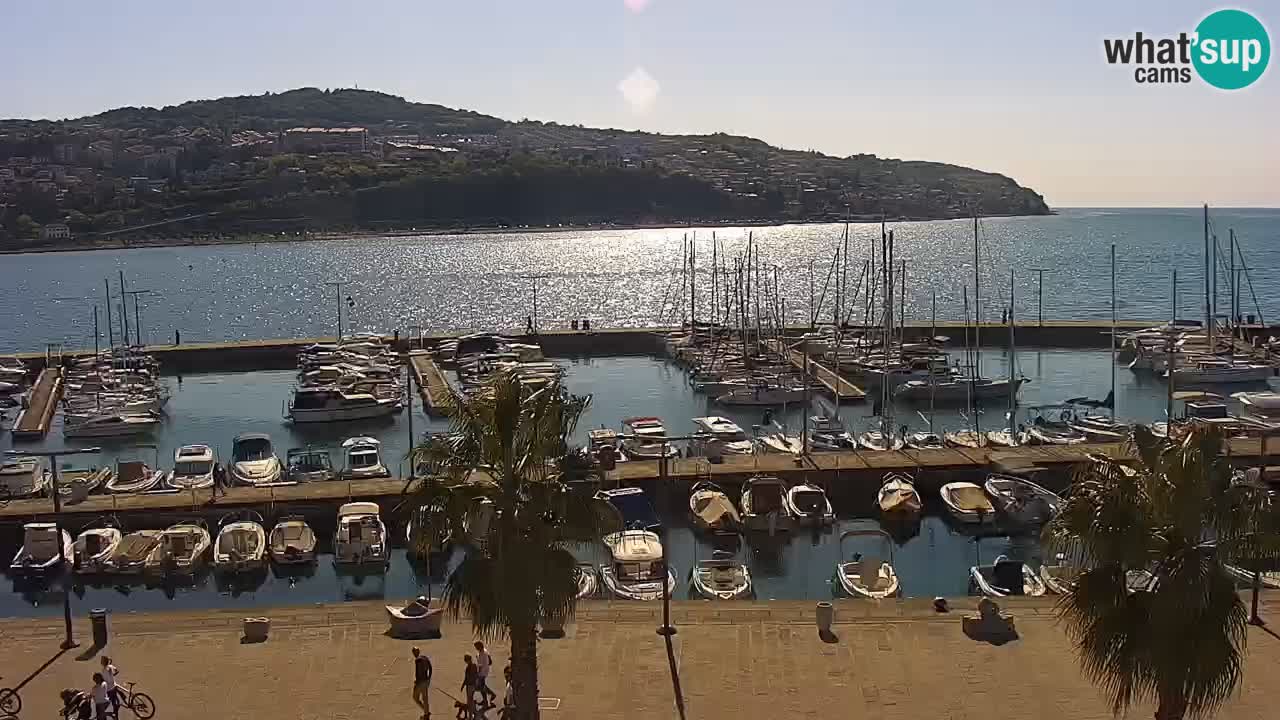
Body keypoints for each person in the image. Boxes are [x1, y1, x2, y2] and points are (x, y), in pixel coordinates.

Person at [411, 646, 432, 719]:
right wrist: (429, 678)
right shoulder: (425, 658)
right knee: (425, 698)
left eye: (414, 652)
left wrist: (416, 682)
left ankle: (426, 711)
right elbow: (430, 667)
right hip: (426, 681)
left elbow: (418, 673)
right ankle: (426, 713)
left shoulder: (417, 660)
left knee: (415, 697)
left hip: (420, 682)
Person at [474, 641, 496, 708]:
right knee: (482, 686)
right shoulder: (485, 651)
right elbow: (490, 661)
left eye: (476, 647)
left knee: (481, 687)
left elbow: (480, 666)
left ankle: (491, 695)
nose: (476, 648)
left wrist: (477, 674)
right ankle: (485, 700)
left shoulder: (481, 654)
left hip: (482, 673)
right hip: (485, 671)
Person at [461, 654, 479, 719]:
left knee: (469, 701)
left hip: (470, 686)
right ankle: (474, 713)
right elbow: (476, 675)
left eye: (465, 660)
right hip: (472, 685)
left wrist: (463, 685)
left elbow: (466, 678)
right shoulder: (474, 666)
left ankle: (471, 716)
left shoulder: (469, 667)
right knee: (471, 700)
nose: (465, 661)